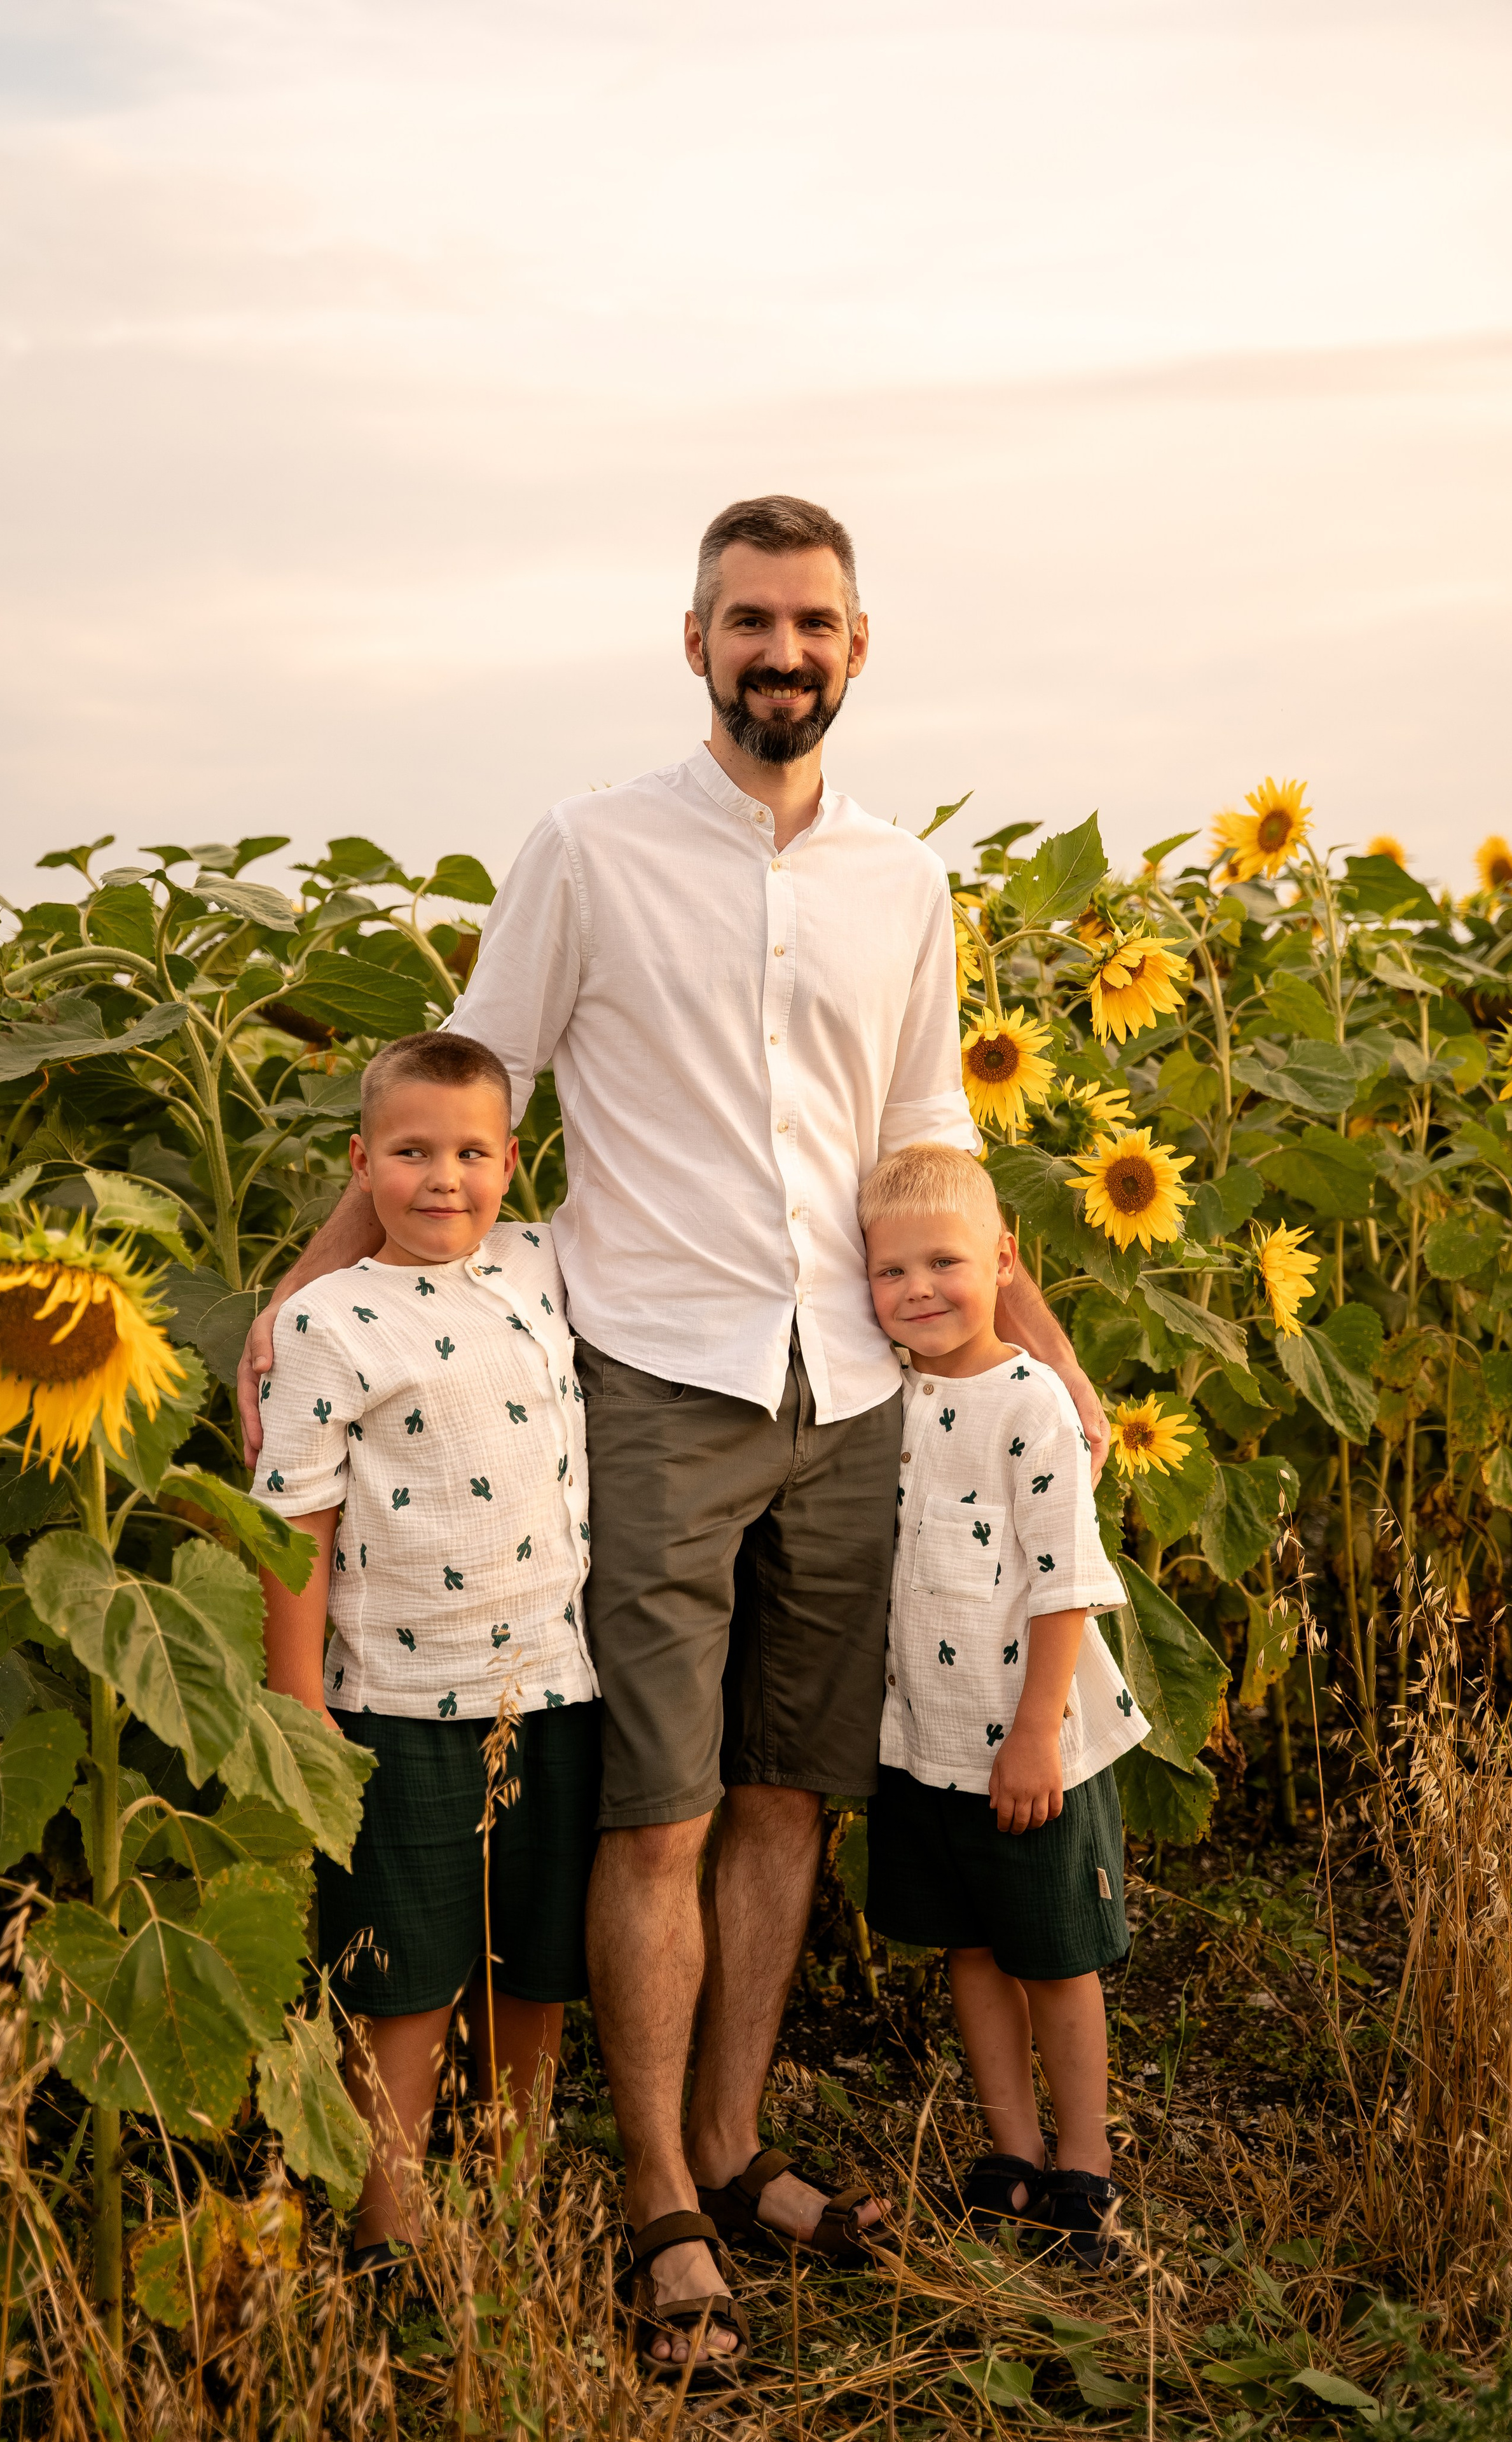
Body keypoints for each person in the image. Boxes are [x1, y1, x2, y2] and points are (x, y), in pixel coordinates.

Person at [240, 495, 1109, 2371]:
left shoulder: (905, 880)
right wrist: (300, 1303)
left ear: (857, 647)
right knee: (662, 1806)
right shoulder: (592, 850)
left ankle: (733, 2147)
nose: (778, 651)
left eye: (811, 621)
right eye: (746, 620)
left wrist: (1035, 1327)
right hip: (652, 1381)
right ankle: (649, 2197)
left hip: (852, 1394)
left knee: (790, 1793)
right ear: (693, 640)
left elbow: (926, 1130)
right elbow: (465, 1088)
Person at [250, 1030, 601, 2266]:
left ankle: (507, 2201)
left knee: (535, 1965)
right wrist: (298, 1698)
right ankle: (387, 2230)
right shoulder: (328, 1319)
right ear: (361, 1164)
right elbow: (293, 1515)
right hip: (396, 1699)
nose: (441, 1178)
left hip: (555, 1685)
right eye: (408, 1153)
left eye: (468, 1153)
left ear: (511, 1164)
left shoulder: (535, 1265)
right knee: (405, 1978)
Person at [858, 1141, 1146, 2270]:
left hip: (1028, 1740)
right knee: (971, 1951)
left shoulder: (1030, 1403)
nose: (920, 1290)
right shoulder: (887, 1395)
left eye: (946, 1262)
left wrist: (1034, 1736)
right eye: (892, 1273)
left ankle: (1085, 2165)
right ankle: (1010, 2152)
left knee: (1054, 1957)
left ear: (1004, 1261)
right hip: (923, 1739)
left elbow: (1065, 1579)